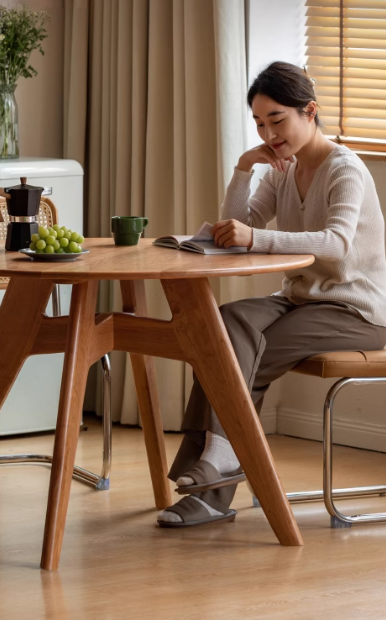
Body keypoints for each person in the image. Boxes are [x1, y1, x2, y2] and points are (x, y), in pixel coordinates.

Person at [157, 61, 386, 527]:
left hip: (356, 308)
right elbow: (236, 225)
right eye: (260, 123)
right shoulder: (284, 170)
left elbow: (338, 248)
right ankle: (218, 466)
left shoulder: (346, 170)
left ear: (310, 112)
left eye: (277, 120)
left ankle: (211, 491)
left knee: (242, 356)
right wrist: (245, 168)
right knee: (221, 324)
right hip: (303, 299)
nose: (269, 132)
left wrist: (253, 238)